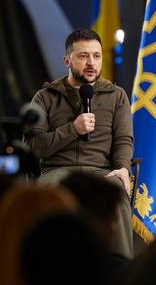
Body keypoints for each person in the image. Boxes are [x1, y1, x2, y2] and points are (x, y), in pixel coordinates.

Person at [24, 28, 134, 257]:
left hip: (101, 171)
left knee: (116, 193)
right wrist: (73, 129)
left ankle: (122, 270)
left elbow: (123, 140)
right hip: (57, 171)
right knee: (48, 197)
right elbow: (34, 146)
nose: (91, 63)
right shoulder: (45, 97)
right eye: (83, 56)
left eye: (96, 55)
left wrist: (123, 168)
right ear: (67, 60)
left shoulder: (116, 95)